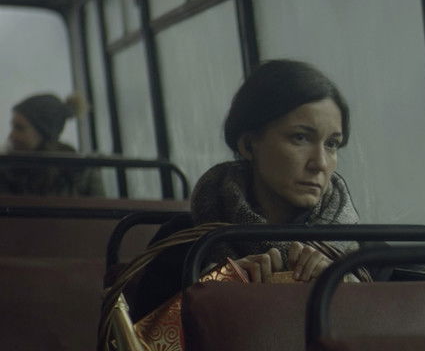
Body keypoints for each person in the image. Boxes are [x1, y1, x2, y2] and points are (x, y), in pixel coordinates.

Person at [129, 59, 370, 320]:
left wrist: (344, 290)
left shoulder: (364, 255)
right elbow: (141, 339)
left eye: (332, 144)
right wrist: (214, 290)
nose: (320, 163)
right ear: (248, 145)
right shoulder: (186, 245)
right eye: (300, 138)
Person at [0, 92, 105, 197]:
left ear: (44, 134)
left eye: (19, 128)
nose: (11, 136)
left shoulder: (82, 173)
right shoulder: (6, 170)